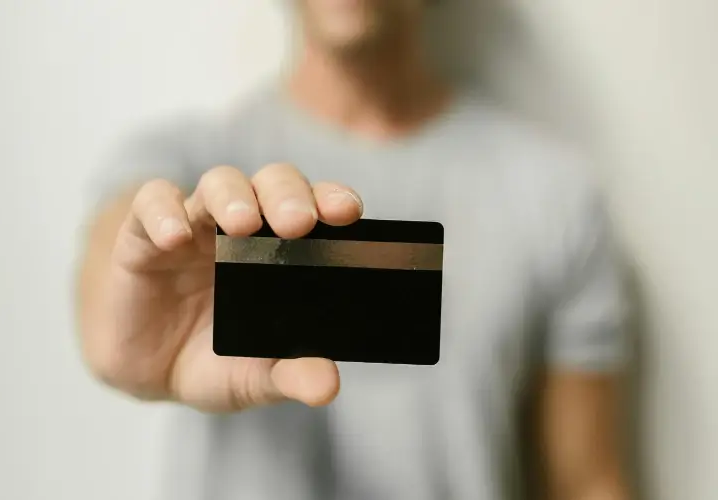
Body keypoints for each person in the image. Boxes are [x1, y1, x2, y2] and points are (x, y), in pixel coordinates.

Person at [76, 1, 632, 499]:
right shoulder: (185, 162)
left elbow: (586, 482)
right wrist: (123, 337)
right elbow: (112, 293)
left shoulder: (553, 195)